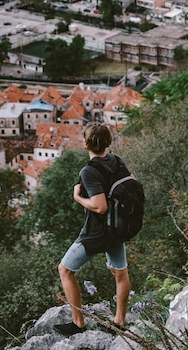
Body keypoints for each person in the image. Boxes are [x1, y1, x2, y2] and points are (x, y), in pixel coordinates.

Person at [54, 122, 132, 337]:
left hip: (97, 231)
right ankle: (119, 321)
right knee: (120, 272)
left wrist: (78, 197)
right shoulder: (116, 161)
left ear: (86, 143)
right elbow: (131, 183)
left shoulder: (89, 171)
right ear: (108, 141)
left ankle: (78, 323)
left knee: (65, 270)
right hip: (117, 226)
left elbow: (100, 206)